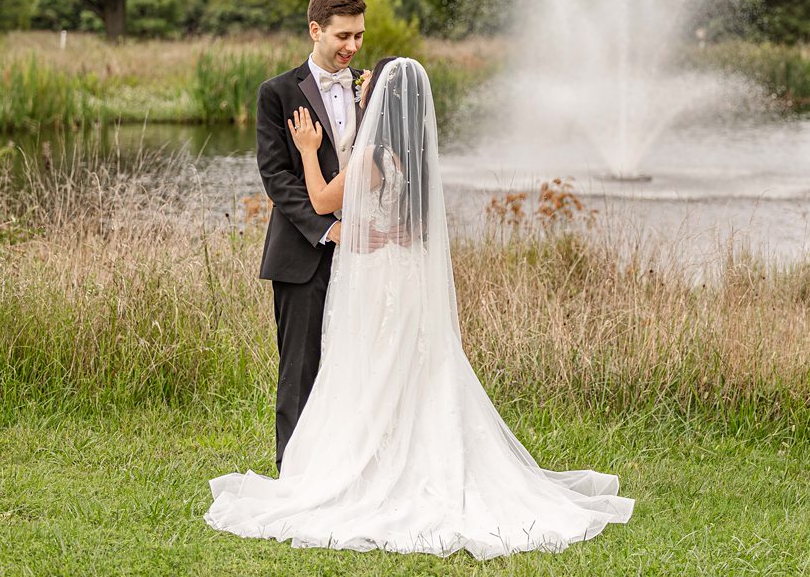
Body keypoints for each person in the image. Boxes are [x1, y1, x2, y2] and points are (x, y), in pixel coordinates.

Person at [206, 58, 634, 559]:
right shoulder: (417, 160)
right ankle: (410, 460)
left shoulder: (375, 156)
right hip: (407, 277)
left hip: (378, 278)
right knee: (410, 374)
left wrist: (308, 150)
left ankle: (364, 470)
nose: (361, 86)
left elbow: (322, 200)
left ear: (382, 101)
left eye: (371, 87)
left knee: (371, 372)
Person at [254, 0, 371, 472]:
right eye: (343, 35)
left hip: (368, 253)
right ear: (315, 29)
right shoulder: (277, 93)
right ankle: (295, 475)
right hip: (302, 254)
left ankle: (351, 469)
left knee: (361, 366)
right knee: (299, 370)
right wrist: (327, 229)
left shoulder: (374, 87)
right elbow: (276, 176)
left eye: (360, 36)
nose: (352, 47)